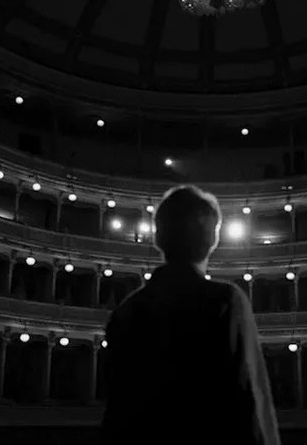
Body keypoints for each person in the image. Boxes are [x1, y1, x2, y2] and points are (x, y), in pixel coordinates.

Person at [102, 185, 281, 445]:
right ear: (212, 238)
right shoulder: (224, 301)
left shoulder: (125, 312)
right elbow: (251, 406)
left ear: (158, 237)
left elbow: (115, 415)